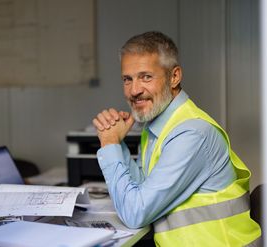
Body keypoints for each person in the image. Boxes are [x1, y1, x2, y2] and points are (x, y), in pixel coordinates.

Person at [92, 31, 261, 246]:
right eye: (127, 79)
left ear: (174, 77)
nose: (134, 90)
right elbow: (142, 192)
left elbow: (136, 213)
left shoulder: (191, 133)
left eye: (146, 77)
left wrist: (110, 144)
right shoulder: (158, 126)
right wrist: (119, 144)